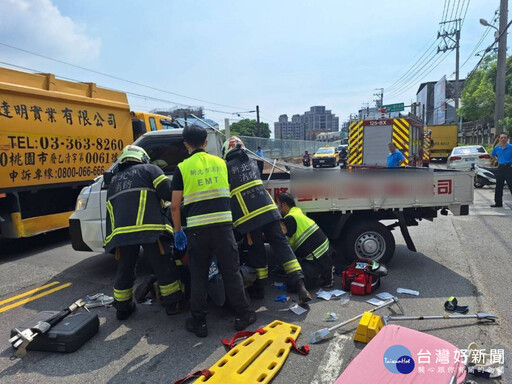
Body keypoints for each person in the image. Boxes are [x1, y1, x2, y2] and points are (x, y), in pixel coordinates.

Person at [171, 125, 256, 338]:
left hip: (198, 231)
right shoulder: (221, 163)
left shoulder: (182, 168)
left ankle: (199, 322)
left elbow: (174, 206)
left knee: (198, 275)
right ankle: (243, 315)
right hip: (223, 228)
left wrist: (177, 231)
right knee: (231, 272)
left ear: (186, 144)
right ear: (206, 143)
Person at [222, 136, 312, 303]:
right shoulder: (253, 163)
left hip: (249, 217)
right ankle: (301, 286)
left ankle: (259, 289)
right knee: (282, 246)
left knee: (257, 250)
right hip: (270, 212)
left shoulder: (226, 167)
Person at [104, 145, 184, 320]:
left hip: (122, 234)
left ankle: (122, 308)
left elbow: (110, 211)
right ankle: (173, 304)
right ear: (143, 158)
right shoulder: (150, 169)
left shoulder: (114, 181)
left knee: (125, 269)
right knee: (164, 266)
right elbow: (169, 193)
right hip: (151, 229)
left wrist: (110, 241)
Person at [276, 192, 334, 289]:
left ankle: (322, 274)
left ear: (284, 205)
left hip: (317, 257)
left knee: (294, 285)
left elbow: (282, 242)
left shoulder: (290, 218)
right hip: (324, 252)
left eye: (278, 204)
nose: (277, 207)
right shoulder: (296, 212)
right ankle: (325, 272)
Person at [490, 133, 512, 208]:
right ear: (499, 139)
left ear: (507, 139)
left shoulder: (511, 147)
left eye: (505, 138)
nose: (503, 139)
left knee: (511, 185)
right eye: (501, 138)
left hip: (509, 168)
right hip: (501, 168)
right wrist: (497, 159)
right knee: (499, 186)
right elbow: (492, 155)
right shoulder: (497, 148)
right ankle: (498, 203)